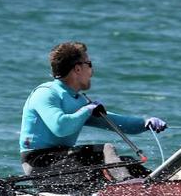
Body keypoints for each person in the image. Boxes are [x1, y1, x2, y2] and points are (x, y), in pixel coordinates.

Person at [19, 41, 167, 177]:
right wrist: (87, 110)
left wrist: (145, 123)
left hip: (64, 162)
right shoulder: (46, 93)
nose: (92, 70)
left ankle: (158, 186)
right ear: (77, 68)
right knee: (105, 151)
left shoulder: (78, 100)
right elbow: (61, 127)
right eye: (89, 64)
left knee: (127, 162)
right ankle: (127, 189)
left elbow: (114, 122)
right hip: (38, 164)